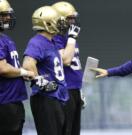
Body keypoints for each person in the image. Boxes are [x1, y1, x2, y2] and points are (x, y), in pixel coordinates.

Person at [22, 6, 69, 135]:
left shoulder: (52, 41)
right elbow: (28, 64)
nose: (61, 24)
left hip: (56, 98)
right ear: (47, 23)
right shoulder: (37, 42)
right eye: (58, 20)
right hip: (45, 99)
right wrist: (41, 82)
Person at [0, 0, 35, 134]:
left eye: (8, 14)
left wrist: (22, 73)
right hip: (4, 102)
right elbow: (2, 68)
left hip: (13, 100)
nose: (8, 18)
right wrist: (22, 71)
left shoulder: (6, 39)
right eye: (3, 15)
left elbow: (11, 66)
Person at [52, 1, 82, 135]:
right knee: (66, 130)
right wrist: (71, 38)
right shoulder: (56, 38)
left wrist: (79, 90)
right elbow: (65, 60)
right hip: (65, 90)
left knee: (75, 131)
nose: (73, 21)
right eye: (70, 18)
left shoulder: (68, 37)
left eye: (74, 17)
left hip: (74, 89)